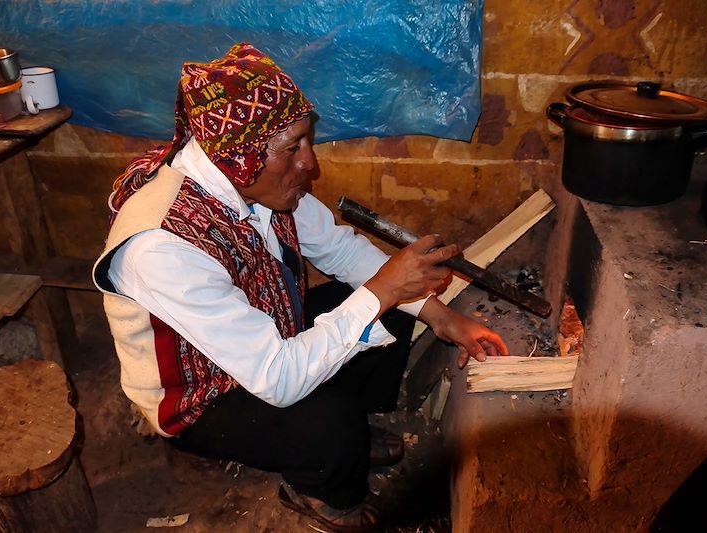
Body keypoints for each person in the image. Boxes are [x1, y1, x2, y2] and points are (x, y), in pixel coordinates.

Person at [93, 42, 508, 532]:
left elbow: (338, 250)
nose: (309, 165)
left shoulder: (252, 180)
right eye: (292, 150)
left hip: (264, 334)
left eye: (305, 142)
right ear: (240, 158)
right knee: (329, 421)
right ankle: (322, 491)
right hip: (201, 395)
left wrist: (444, 318)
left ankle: (342, 442)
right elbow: (277, 376)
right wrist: (384, 290)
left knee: (386, 309)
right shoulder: (160, 246)